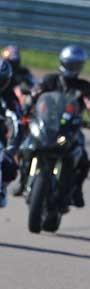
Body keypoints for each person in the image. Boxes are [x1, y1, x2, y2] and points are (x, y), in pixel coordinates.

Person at [14, 45, 90, 205]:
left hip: (71, 128)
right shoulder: (50, 80)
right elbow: (34, 93)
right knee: (24, 148)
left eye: (76, 64)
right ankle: (22, 182)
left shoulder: (85, 87)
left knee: (83, 159)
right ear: (62, 62)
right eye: (70, 64)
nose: (72, 68)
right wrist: (26, 107)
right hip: (45, 124)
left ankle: (77, 192)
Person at [0, 59, 20, 207]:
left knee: (10, 166)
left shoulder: (10, 98)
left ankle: (2, 187)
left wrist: (12, 146)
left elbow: (15, 119)